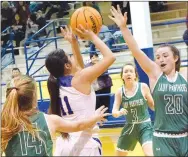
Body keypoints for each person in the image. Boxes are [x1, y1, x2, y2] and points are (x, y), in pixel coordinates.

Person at [109, 5, 188, 156]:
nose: (160, 59)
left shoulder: (184, 76)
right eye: (157, 57)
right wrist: (124, 28)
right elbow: (136, 51)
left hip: (184, 137)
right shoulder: (156, 75)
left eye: (165, 55)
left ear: (176, 58)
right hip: (163, 138)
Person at [45, 25, 115, 156]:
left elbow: (80, 67)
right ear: (67, 65)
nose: (73, 58)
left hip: (63, 145)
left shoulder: (54, 84)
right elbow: (110, 57)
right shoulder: (80, 79)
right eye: (70, 56)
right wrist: (92, 36)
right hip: (85, 145)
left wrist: (74, 43)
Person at [1, 75, 109, 156]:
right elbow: (79, 126)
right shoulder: (50, 120)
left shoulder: (4, 122)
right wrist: (95, 117)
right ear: (34, 97)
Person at [112, 63, 154, 156]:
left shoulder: (143, 87)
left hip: (145, 125)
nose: (128, 73)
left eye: (131, 71)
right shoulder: (119, 92)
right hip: (130, 127)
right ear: (122, 76)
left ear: (135, 75)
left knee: (149, 154)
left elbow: (153, 106)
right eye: (125, 72)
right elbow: (114, 112)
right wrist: (119, 113)